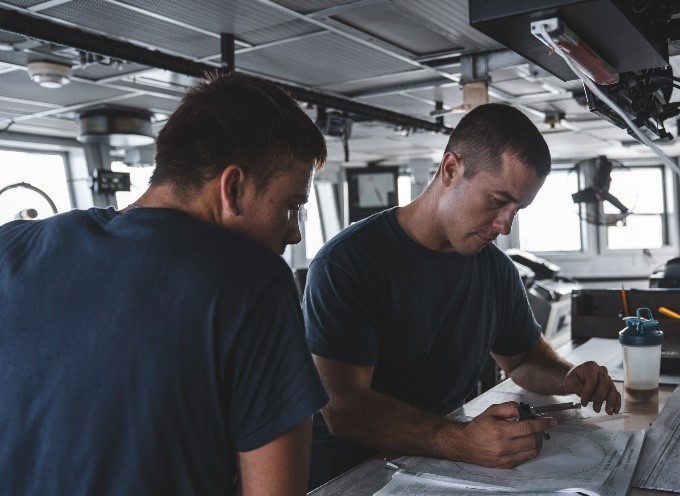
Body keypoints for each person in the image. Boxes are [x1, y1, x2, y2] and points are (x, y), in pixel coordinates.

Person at [0, 72, 328, 495]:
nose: (294, 232)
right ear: (234, 187)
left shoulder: (13, 245)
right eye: (292, 206)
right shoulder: (252, 280)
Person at [303, 103, 621, 489]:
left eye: (518, 209)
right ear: (451, 169)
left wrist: (569, 377)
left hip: (442, 465)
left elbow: (523, 359)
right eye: (497, 200)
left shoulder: (496, 271)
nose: (505, 226)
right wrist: (458, 441)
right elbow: (345, 408)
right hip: (354, 476)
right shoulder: (347, 263)